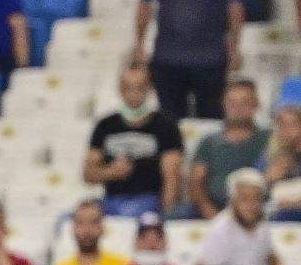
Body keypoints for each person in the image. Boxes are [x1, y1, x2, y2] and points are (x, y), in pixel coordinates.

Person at [84, 64, 184, 219]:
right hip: (110, 200)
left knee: (128, 215)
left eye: (140, 87)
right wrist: (111, 172)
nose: (134, 93)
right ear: (120, 89)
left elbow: (172, 177)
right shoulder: (105, 125)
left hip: (149, 199)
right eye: (128, 87)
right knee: (68, 219)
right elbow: (88, 174)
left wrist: (163, 218)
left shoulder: (166, 126)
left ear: (149, 89)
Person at [187, 80, 269, 219]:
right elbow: (195, 182)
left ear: (256, 104)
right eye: (232, 103)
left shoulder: (270, 139)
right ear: (224, 104)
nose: (238, 108)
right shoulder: (209, 142)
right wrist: (208, 210)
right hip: (212, 209)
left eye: (244, 102)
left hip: (259, 209)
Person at [263, 106, 301, 221]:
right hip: (277, 219)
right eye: (282, 125)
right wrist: (267, 179)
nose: (287, 131)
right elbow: (255, 187)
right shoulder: (268, 155)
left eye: (293, 125)